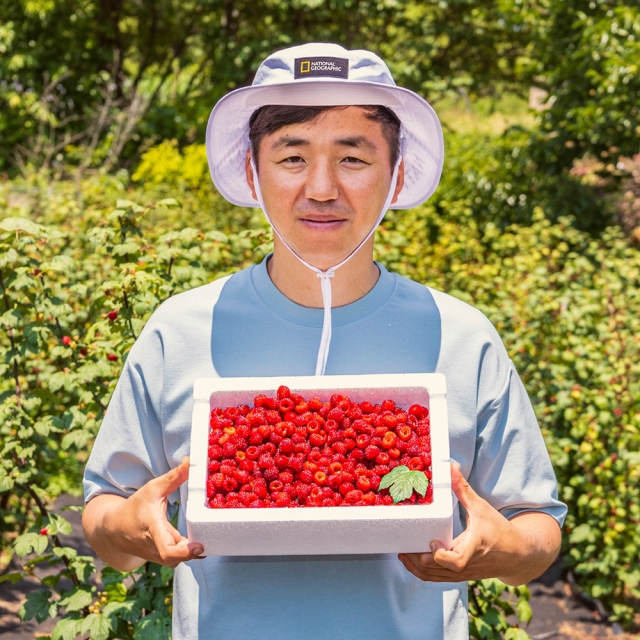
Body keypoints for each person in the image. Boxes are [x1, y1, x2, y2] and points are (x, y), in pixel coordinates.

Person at [82, 43, 566, 639]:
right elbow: (106, 516)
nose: (320, 187)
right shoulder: (181, 329)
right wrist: (130, 527)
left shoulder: (460, 336)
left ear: (398, 175)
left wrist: (504, 547)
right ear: (253, 172)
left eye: (353, 159)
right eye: (291, 157)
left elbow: (538, 528)